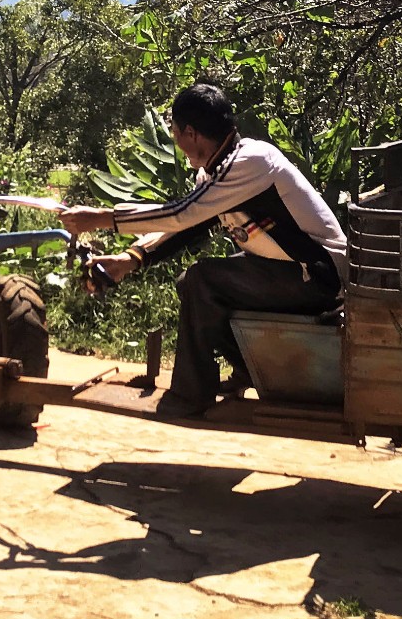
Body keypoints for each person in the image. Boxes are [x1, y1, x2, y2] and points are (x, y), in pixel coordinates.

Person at [61, 84, 346, 418]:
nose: (177, 142)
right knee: (189, 283)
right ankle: (249, 370)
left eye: (176, 133)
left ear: (191, 133)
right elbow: (187, 225)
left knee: (203, 279)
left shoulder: (252, 162)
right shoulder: (216, 172)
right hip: (288, 270)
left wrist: (103, 218)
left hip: (318, 274)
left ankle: (190, 396)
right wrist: (130, 259)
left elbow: (181, 213)